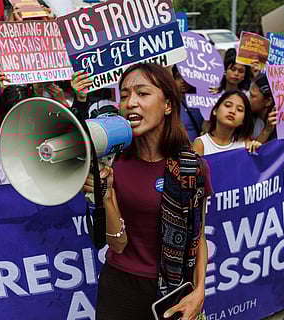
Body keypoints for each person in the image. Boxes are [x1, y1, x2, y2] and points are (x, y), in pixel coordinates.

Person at [82, 63, 212, 320]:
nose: (131, 103)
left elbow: (198, 236)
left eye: (142, 93)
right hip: (120, 291)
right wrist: (106, 197)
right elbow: (117, 245)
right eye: (125, 94)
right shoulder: (112, 162)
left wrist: (199, 292)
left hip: (174, 293)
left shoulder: (192, 167)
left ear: (168, 105)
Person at [193, 90, 261, 156]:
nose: (232, 111)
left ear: (243, 120)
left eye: (239, 109)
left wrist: (257, 150)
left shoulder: (245, 144)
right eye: (228, 105)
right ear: (215, 110)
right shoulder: (201, 144)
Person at [172, 65, 204, 141]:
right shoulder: (169, 103)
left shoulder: (203, 102)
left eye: (187, 76)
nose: (183, 81)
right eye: (178, 77)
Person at [248, 74, 277, 143]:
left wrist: (267, 130)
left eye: (252, 96)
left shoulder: (282, 128)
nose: (248, 98)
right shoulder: (246, 119)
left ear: (268, 101)